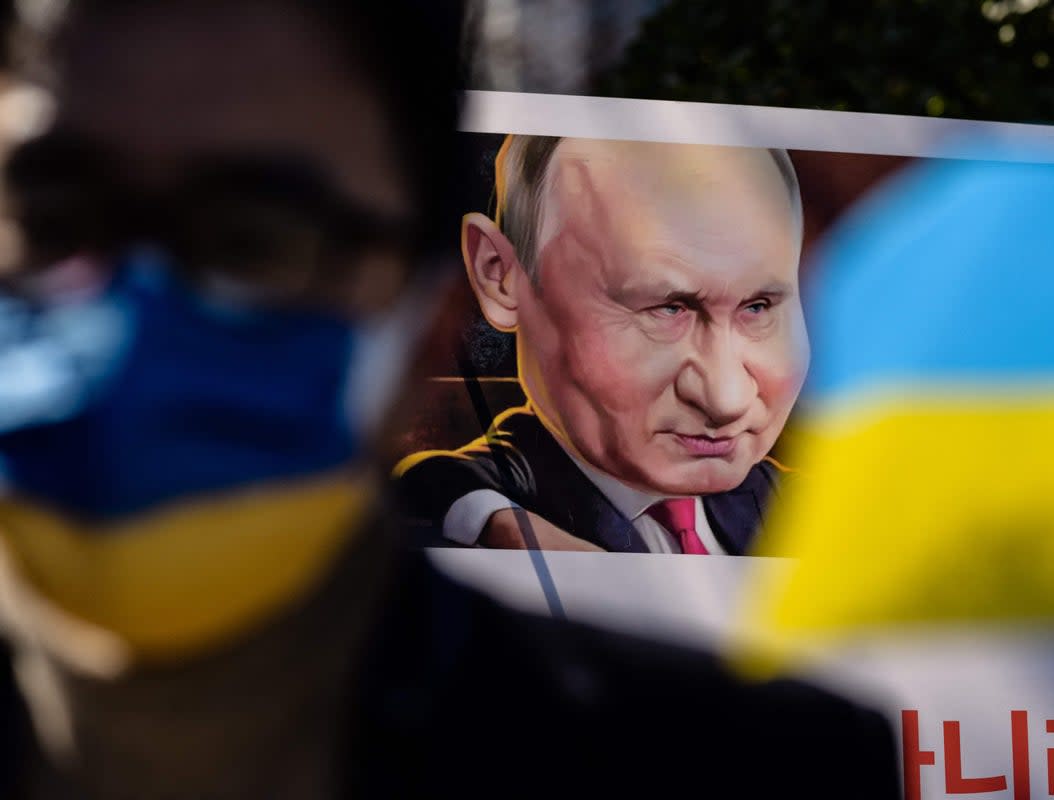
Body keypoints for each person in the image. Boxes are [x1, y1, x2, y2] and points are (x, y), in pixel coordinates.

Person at [0, 1, 901, 798]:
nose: (133, 319)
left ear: (427, 324)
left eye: (257, 241)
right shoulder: (484, 490)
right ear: (492, 282)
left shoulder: (756, 768)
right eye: (52, 217)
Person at [396, 135, 808, 554]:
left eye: (758, 307)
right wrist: (489, 518)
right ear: (499, 274)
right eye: (665, 309)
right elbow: (426, 485)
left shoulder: (800, 505)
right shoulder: (474, 504)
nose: (727, 399)